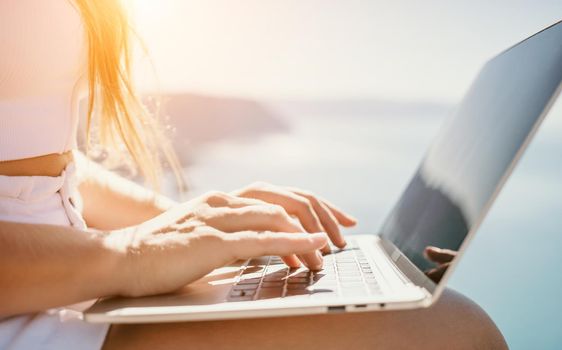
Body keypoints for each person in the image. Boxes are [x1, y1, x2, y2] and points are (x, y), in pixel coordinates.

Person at [0, 0, 508, 349]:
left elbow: (45, 156)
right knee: (452, 333)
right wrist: (130, 254)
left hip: (63, 272)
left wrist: (203, 226)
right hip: (26, 308)